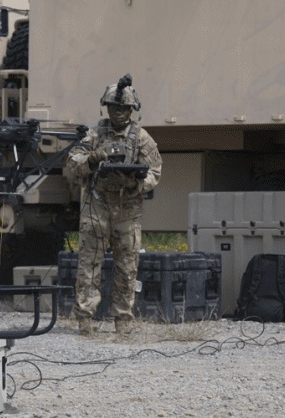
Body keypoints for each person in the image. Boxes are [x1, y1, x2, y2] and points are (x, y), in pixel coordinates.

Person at [66, 74, 162, 335]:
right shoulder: (94, 135)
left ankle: (123, 319)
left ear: (132, 110)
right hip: (96, 205)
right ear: (106, 108)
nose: (118, 112)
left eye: (123, 108)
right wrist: (92, 159)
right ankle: (85, 319)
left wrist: (135, 184)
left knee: (127, 266)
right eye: (113, 107)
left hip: (127, 208)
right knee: (89, 264)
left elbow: (155, 171)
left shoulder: (141, 138)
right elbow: (72, 163)